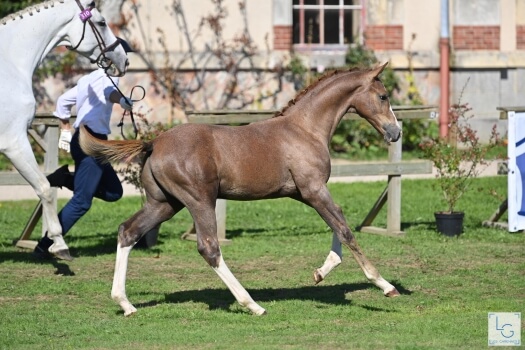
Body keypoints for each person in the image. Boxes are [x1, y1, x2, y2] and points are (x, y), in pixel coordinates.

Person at [33, 39, 134, 260]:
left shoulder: (88, 79)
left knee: (114, 192)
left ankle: (66, 178)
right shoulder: (109, 79)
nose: (127, 60)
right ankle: (46, 246)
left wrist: (66, 129)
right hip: (91, 142)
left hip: (87, 140)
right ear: (114, 58)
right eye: (126, 56)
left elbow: (62, 101)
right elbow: (110, 92)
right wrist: (122, 100)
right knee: (81, 202)